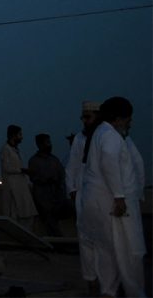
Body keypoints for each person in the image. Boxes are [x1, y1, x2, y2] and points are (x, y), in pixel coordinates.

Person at [80, 96, 145, 298]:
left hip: (99, 203)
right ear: (118, 119)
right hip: (113, 204)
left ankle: (108, 291)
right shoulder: (109, 135)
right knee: (128, 253)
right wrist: (119, 197)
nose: (130, 123)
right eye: (128, 119)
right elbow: (109, 162)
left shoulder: (101, 133)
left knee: (107, 252)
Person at [63, 100, 100, 294]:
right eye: (83, 117)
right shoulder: (79, 139)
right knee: (86, 241)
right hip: (84, 199)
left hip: (103, 199)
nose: (84, 121)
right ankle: (91, 280)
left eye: (88, 117)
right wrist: (73, 191)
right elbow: (72, 167)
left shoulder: (106, 138)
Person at [26, 133, 66, 236]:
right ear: (40, 144)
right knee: (50, 220)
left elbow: (62, 176)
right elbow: (34, 178)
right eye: (47, 142)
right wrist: (46, 180)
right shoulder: (34, 161)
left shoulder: (54, 160)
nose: (49, 145)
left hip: (57, 196)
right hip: (43, 198)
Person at [0, 124, 37, 227]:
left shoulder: (14, 150)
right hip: (12, 188)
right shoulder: (5, 149)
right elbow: (7, 168)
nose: (22, 137)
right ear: (13, 135)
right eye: (20, 134)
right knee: (14, 215)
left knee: (26, 215)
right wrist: (22, 170)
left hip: (19, 187)